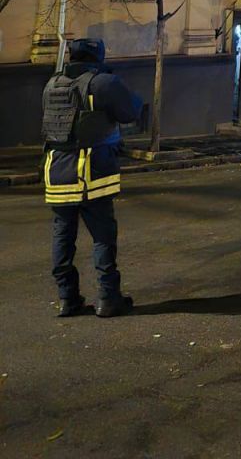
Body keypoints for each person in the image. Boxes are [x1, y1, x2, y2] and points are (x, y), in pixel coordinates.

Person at [41, 38, 143, 317]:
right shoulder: (103, 83)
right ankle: (108, 299)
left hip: (56, 169)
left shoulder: (52, 84)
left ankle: (67, 298)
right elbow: (131, 110)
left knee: (63, 235)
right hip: (91, 170)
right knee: (103, 237)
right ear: (96, 57)